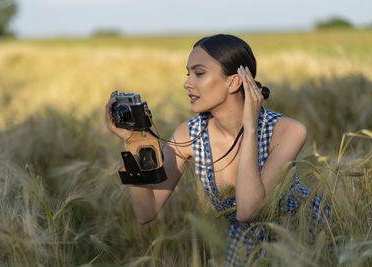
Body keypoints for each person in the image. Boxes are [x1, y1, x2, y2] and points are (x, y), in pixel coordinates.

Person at [105, 34, 330, 266]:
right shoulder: (189, 135)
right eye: (188, 73)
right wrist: (133, 144)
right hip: (245, 247)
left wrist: (250, 128)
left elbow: (247, 210)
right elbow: (146, 212)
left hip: (303, 243)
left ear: (233, 82)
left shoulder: (287, 131)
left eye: (199, 73)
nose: (187, 83)